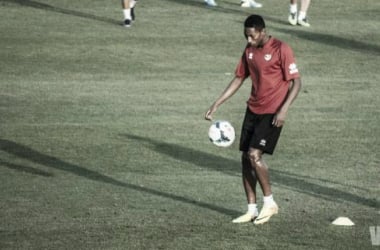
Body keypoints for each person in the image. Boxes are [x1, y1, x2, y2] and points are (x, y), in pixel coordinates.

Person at [204, 14, 301, 225]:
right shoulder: (249, 51)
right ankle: (251, 209)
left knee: (254, 155)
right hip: (253, 110)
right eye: (246, 36)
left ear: (262, 31)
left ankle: (270, 203)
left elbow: (296, 83)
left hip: (272, 112)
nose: (248, 40)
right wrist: (217, 103)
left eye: (252, 36)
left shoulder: (281, 49)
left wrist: (283, 110)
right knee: (245, 160)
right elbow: (239, 77)